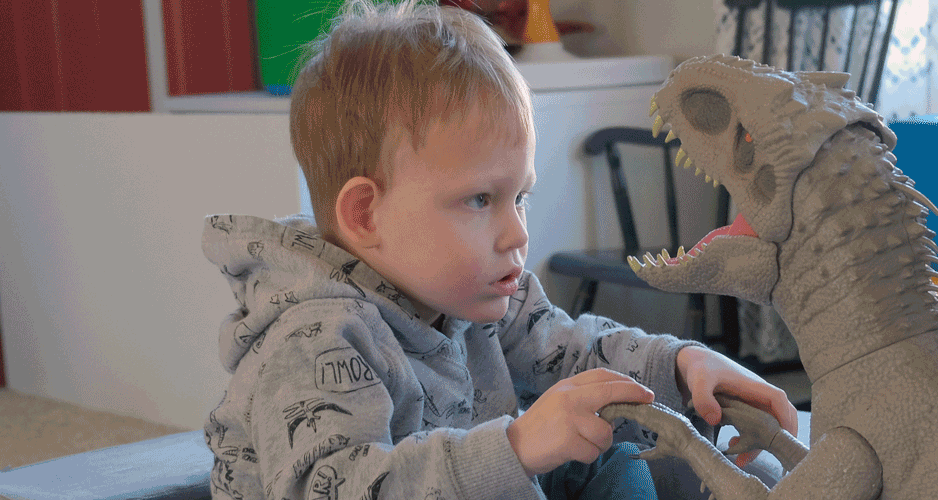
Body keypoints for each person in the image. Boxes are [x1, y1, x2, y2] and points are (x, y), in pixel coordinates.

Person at [200, 1, 799, 499]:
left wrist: (683, 366)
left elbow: (576, 352)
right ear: (364, 214)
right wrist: (516, 447)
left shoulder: (483, 297)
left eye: (521, 198)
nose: (517, 234)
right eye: (480, 200)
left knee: (669, 466)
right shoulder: (314, 340)